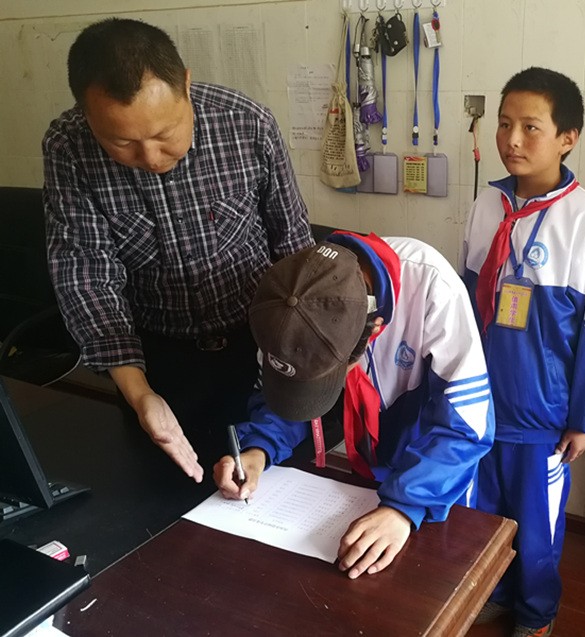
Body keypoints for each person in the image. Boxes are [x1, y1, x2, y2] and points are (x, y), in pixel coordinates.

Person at [42, 18, 313, 482]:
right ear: (87, 115)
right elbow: (86, 276)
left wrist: (301, 360)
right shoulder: (69, 147)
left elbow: (294, 248)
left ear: (185, 84)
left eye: (164, 134)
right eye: (122, 142)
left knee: (272, 484)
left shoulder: (247, 124)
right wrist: (141, 394)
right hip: (155, 361)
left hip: (259, 349)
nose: (149, 158)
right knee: (163, 491)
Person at [214, 232, 495, 579]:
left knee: (431, 579)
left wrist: (404, 508)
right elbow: (287, 394)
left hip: (434, 477)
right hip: (362, 477)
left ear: (372, 331)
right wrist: (259, 449)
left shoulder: (432, 285)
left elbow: (467, 425)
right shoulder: (286, 301)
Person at [461, 67, 585, 637]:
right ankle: (493, 591)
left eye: (531, 127)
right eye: (504, 124)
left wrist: (584, 419)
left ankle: (536, 613)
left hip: (543, 414)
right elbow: (465, 304)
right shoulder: (486, 204)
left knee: (537, 524)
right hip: (482, 400)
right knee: (479, 511)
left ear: (567, 138)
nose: (512, 139)